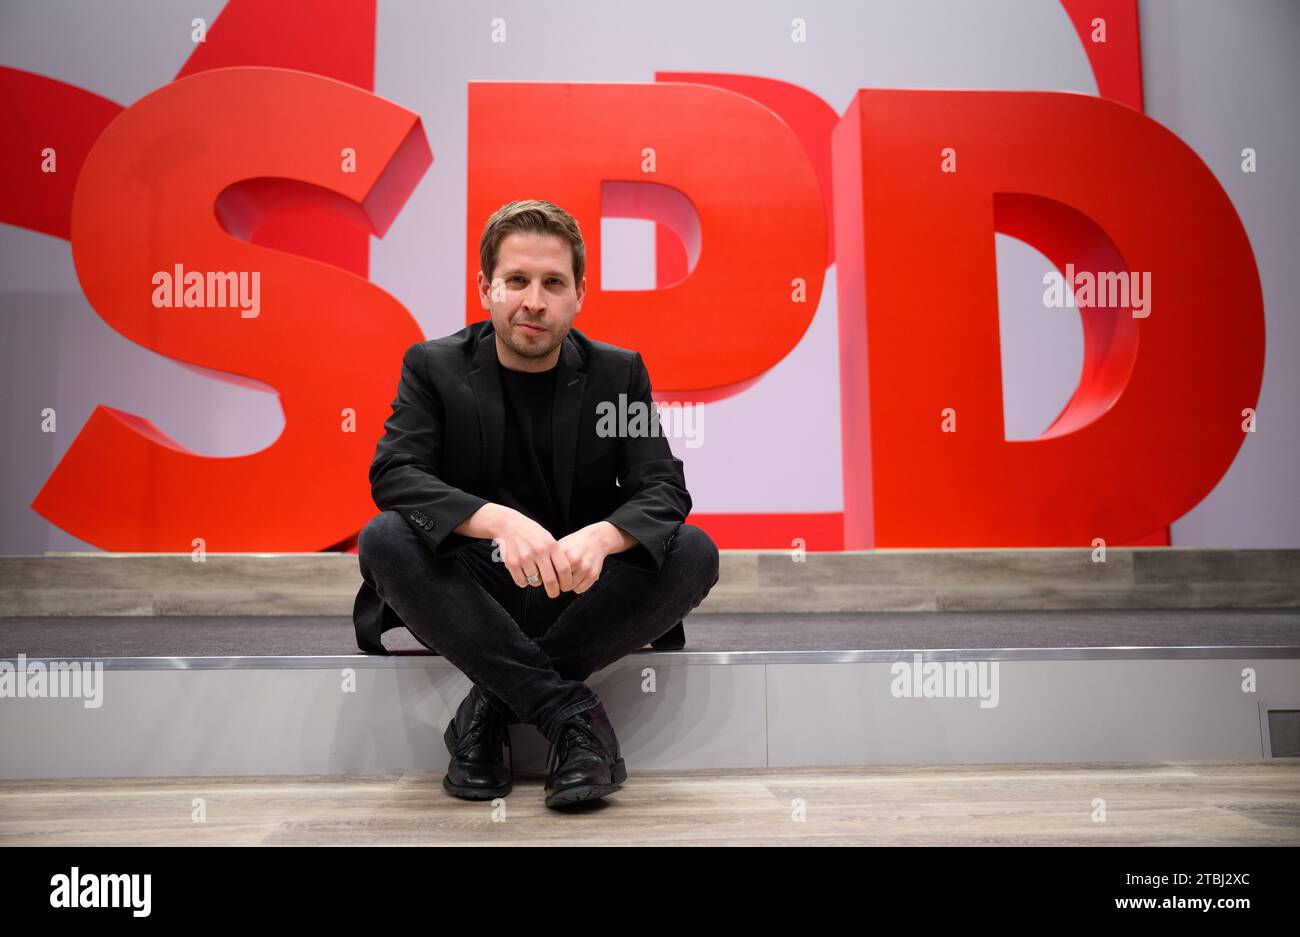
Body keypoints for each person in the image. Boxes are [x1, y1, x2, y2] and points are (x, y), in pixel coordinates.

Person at [353, 199, 720, 809]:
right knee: (384, 539)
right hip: (469, 593)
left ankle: (486, 713)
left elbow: (663, 489)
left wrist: (603, 536)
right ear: (485, 288)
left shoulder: (617, 374)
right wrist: (496, 519)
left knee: (695, 552)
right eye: (516, 280)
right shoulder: (433, 367)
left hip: (577, 587)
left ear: (579, 295)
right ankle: (570, 715)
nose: (534, 300)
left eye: (554, 283)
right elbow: (395, 473)